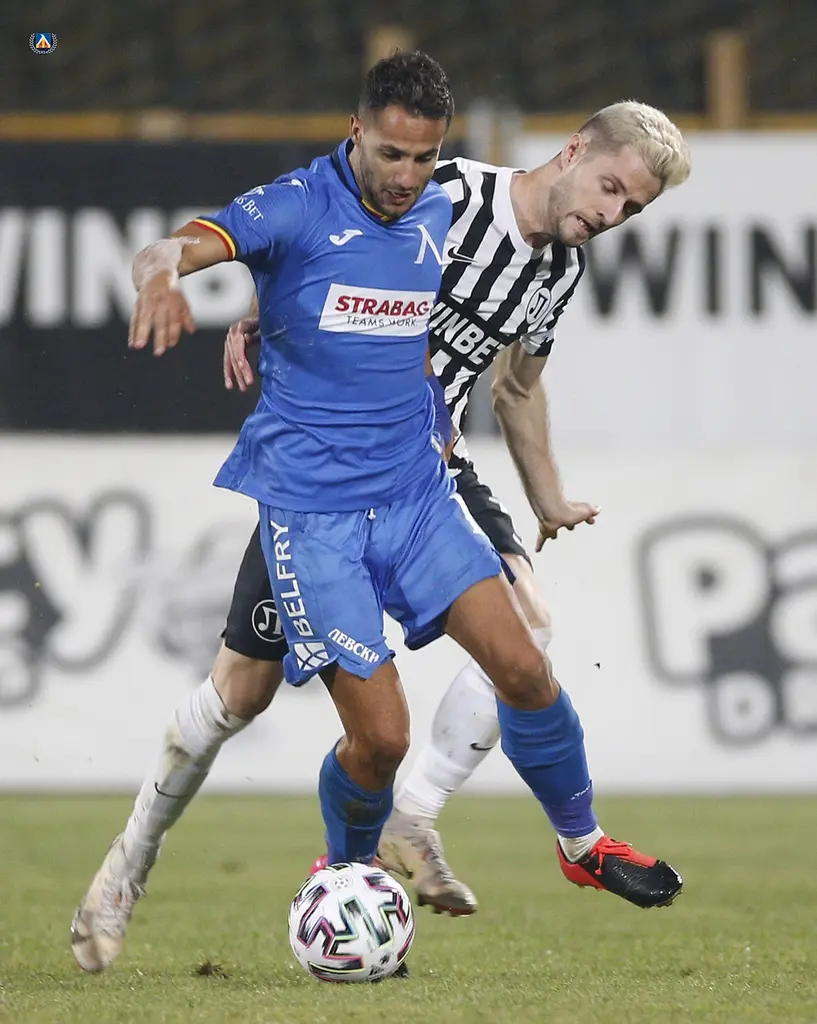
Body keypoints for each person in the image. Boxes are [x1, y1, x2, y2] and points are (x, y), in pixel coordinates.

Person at [72, 78, 690, 972]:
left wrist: (548, 497)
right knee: (239, 697)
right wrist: (251, 306)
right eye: (610, 189)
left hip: (422, 471)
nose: (612, 214)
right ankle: (132, 860)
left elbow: (516, 384)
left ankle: (468, 827)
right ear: (572, 153)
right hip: (320, 483)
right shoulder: (446, 195)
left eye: (631, 207)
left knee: (526, 643)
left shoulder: (554, 267)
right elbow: (317, 253)